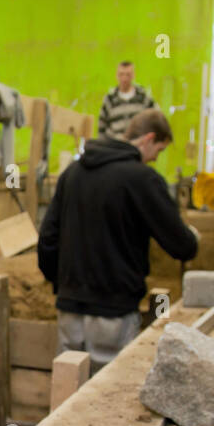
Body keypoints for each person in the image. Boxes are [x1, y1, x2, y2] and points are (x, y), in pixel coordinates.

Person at [38, 109, 199, 369]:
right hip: (113, 308)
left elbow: (47, 238)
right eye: (158, 151)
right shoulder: (143, 179)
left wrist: (60, 283)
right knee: (105, 396)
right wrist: (192, 239)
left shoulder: (73, 173)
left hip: (70, 307)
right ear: (148, 139)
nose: (154, 160)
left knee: (67, 388)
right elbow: (181, 245)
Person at [97, 60, 156, 141]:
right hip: (116, 147)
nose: (124, 78)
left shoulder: (143, 97)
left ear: (133, 75)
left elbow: (155, 120)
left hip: (138, 146)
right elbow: (101, 127)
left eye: (128, 74)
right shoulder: (109, 99)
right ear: (116, 76)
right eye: (121, 74)